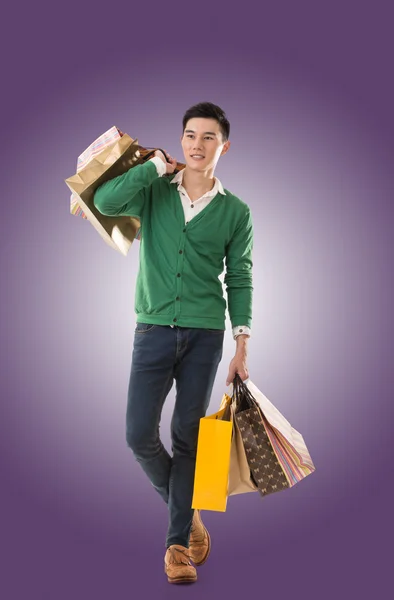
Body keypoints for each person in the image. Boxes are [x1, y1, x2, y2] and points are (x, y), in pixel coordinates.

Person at [93, 102, 254, 584]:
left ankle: (176, 548)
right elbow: (104, 203)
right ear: (179, 140)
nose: (196, 145)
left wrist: (242, 341)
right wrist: (151, 167)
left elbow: (240, 277)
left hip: (206, 335)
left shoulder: (236, 211)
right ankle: (187, 513)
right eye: (189, 135)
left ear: (224, 146)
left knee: (189, 437)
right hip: (153, 331)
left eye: (208, 138)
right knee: (138, 434)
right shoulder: (154, 190)